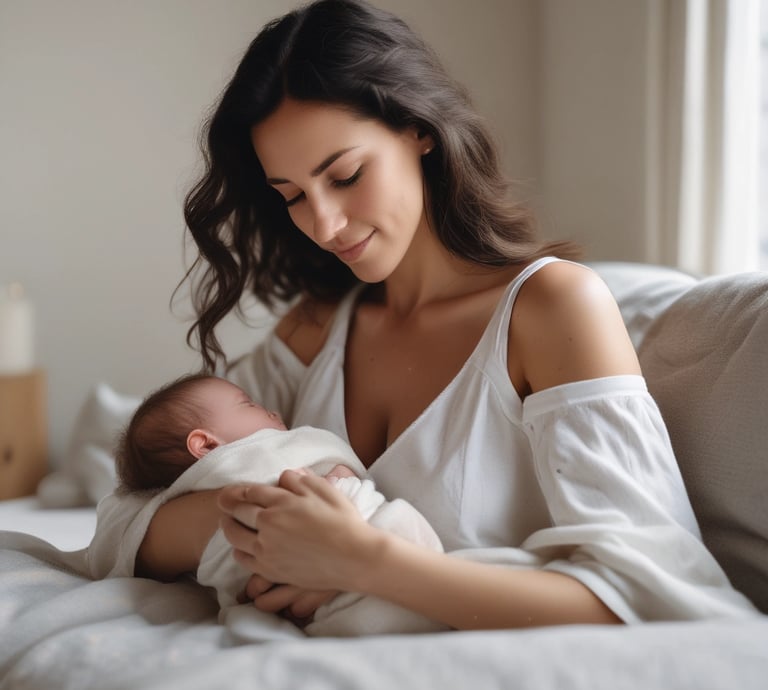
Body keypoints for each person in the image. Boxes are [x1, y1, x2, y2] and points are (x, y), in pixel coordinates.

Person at [137, 0, 758, 629]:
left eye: (346, 175)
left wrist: (362, 560)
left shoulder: (551, 309)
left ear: (419, 130)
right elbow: (132, 518)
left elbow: (657, 592)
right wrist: (264, 530)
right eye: (292, 196)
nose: (322, 224)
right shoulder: (315, 327)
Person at [94, 372, 448, 636]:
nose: (274, 411)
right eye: (250, 404)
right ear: (205, 446)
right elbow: (120, 524)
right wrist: (338, 475)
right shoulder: (248, 457)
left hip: (326, 582)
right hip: (290, 567)